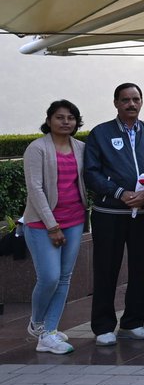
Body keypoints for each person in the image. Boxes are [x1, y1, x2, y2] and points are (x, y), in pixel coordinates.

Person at [84, 83, 144, 345]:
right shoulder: (100, 133)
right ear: (116, 103)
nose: (131, 104)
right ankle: (102, 326)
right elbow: (91, 172)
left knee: (141, 268)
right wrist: (120, 192)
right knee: (106, 269)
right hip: (109, 213)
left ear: (142, 102)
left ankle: (133, 322)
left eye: (135, 99)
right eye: (125, 100)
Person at [22, 100, 88, 355]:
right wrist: (52, 226)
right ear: (49, 120)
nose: (65, 122)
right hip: (42, 224)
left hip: (74, 220)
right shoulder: (36, 149)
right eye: (60, 117)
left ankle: (49, 331)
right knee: (49, 276)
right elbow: (35, 189)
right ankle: (38, 324)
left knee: (63, 278)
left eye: (70, 118)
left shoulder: (80, 147)